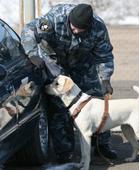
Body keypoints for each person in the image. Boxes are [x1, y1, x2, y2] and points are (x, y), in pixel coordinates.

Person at [21, 3, 117, 163]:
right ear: (69, 20)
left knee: (96, 101)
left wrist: (105, 78)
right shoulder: (54, 18)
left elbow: (104, 54)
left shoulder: (98, 27)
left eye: (81, 29)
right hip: (55, 63)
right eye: (73, 27)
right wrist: (32, 54)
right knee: (59, 106)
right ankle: (65, 152)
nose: (76, 31)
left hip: (82, 64)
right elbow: (28, 31)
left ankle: (102, 145)